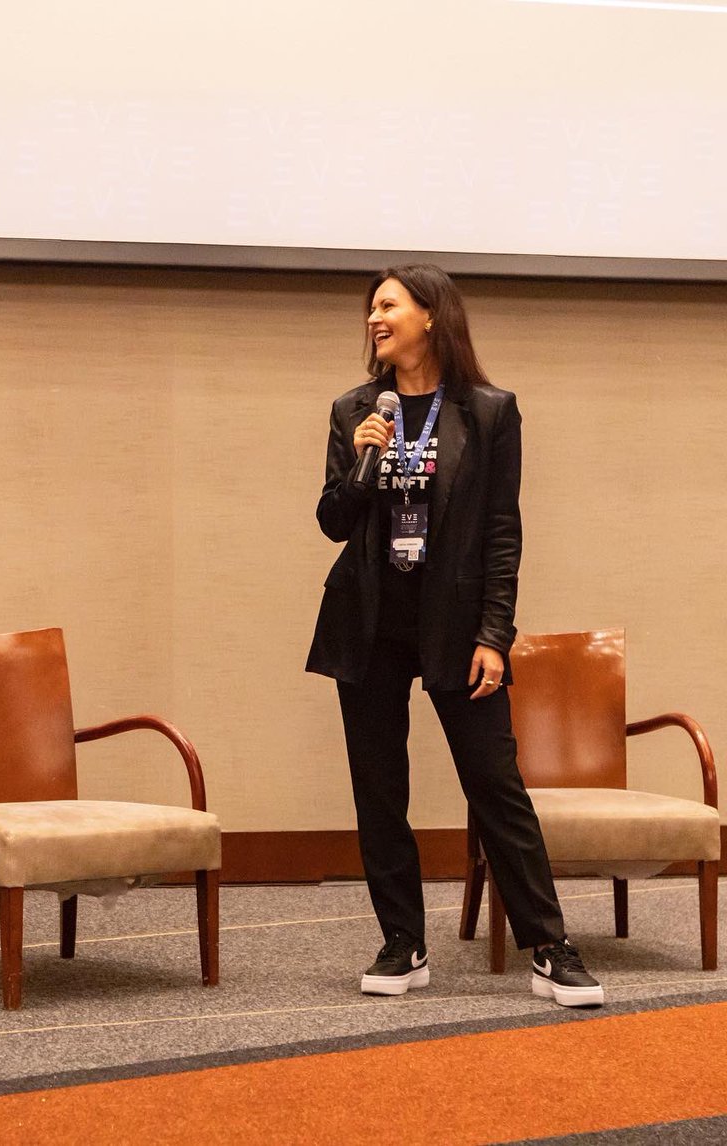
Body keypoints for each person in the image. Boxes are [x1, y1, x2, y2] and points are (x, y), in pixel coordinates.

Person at [305, 264, 603, 1008]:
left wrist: (495, 636)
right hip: (369, 620)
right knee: (380, 790)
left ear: (431, 315)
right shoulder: (354, 410)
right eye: (370, 308)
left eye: (388, 304)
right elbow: (332, 520)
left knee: (495, 785)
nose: (374, 318)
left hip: (456, 621)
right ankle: (402, 944)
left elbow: (503, 532)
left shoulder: (489, 412)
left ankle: (549, 945)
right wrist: (367, 465)